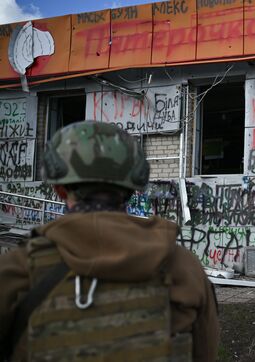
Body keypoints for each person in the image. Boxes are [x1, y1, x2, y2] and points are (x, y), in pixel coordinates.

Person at [0, 121, 219, 361]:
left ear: (59, 189)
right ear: (132, 188)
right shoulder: (184, 267)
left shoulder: (17, 268)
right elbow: (205, 351)